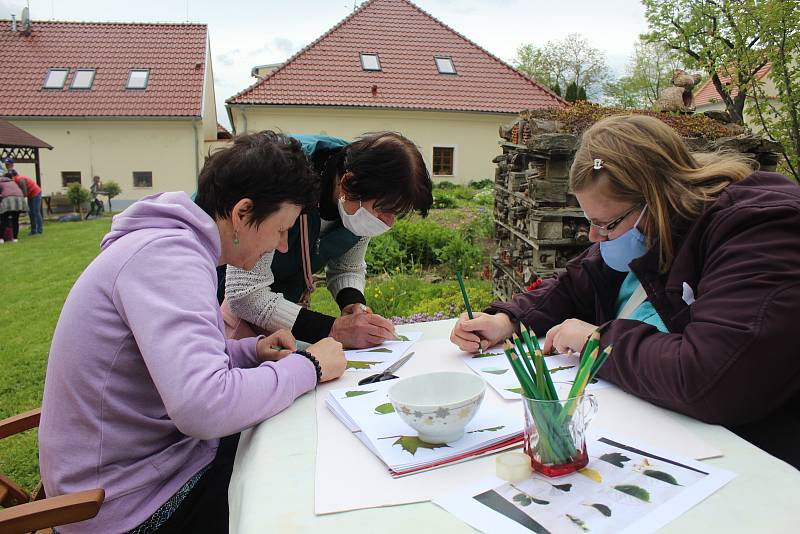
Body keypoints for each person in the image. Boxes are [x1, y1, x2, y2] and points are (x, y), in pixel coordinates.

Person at [39, 131, 348, 534]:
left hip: (139, 470)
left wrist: (251, 351)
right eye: (281, 229)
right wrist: (309, 366)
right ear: (242, 213)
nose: (284, 246)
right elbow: (204, 407)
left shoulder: (173, 248)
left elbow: (174, 364)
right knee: (295, 483)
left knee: (283, 444)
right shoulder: (168, 259)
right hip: (124, 505)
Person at [451, 114, 800, 469]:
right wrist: (507, 319)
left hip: (758, 459)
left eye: (606, 224)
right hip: (672, 435)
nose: (593, 237)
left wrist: (599, 342)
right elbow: (576, 282)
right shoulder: (654, 229)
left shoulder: (760, 231)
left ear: (657, 198)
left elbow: (713, 377)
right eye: (591, 222)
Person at [222, 132, 434, 349]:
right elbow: (244, 294)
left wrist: (353, 303)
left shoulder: (360, 198)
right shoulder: (284, 182)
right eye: (383, 210)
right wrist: (333, 330)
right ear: (348, 181)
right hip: (216, 307)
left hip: (271, 323)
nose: (388, 223)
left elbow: (347, 267)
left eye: (395, 214)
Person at [0, 174, 28, 243]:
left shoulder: (0, 182)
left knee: (4, 219)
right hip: (19, 200)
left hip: (8, 200)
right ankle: (15, 238)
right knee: (15, 220)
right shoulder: (13, 182)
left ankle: (1, 238)